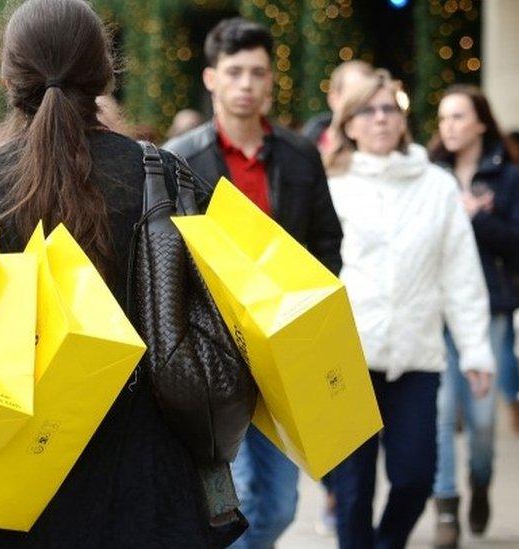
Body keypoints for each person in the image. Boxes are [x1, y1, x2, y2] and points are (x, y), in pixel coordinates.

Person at [0, 0, 243, 546]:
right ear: (104, 73)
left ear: (7, 78)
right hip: (150, 474)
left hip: (17, 483)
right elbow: (218, 305)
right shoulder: (163, 173)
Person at [164, 18, 343, 549]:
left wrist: (306, 302)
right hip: (213, 353)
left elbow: (327, 242)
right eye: (235, 72)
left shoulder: (299, 155)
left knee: (282, 504)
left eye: (257, 73)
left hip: (282, 351)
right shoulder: (178, 159)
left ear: (270, 82)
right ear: (212, 78)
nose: (246, 84)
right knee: (232, 499)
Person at [323, 70, 495, 549]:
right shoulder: (333, 185)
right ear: (349, 124)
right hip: (349, 358)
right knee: (351, 490)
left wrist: (476, 351)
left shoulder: (437, 186)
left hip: (417, 357)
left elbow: (461, 275)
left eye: (389, 109)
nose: (380, 118)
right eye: (367, 110)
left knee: (416, 477)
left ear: (402, 119)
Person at [428, 85, 519, 547]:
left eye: (458, 117)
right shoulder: (429, 175)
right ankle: (446, 506)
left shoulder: (507, 176)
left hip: (488, 309)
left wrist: (478, 218)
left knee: (482, 420)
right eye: (443, 118)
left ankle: (481, 482)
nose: (448, 126)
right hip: (436, 312)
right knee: (440, 410)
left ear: (480, 123)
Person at [301, 60, 375, 154]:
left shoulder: (386, 147)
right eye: (354, 97)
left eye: (369, 99)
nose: (362, 106)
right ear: (333, 99)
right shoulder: (307, 147)